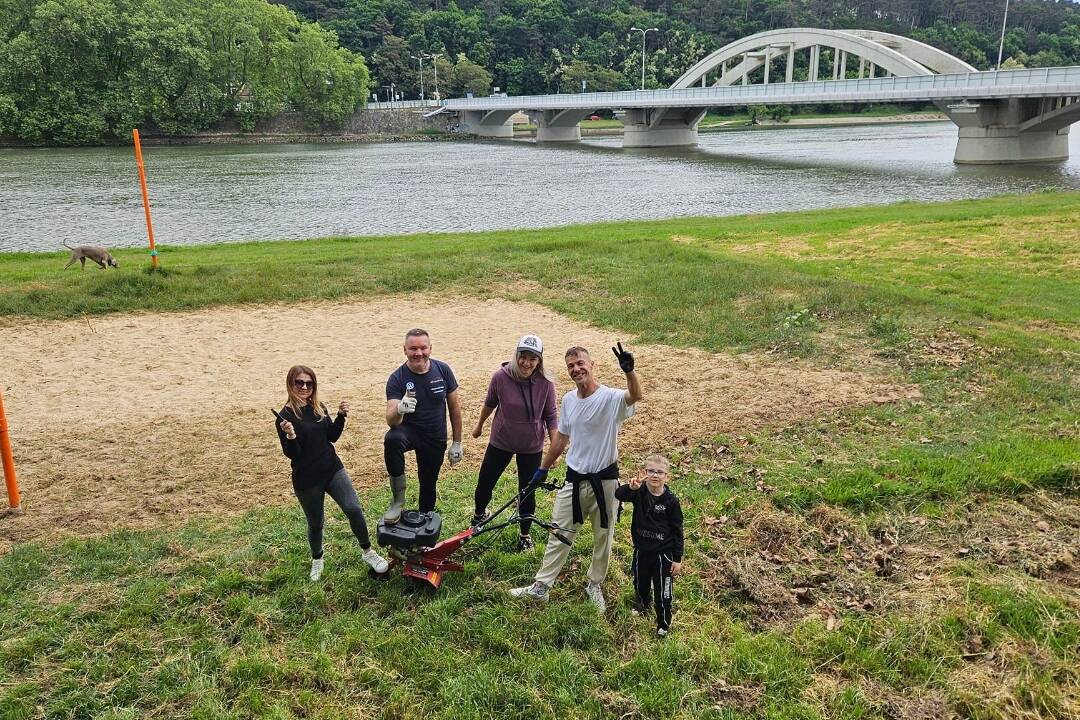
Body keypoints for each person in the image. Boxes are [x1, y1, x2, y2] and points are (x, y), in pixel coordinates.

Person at [510, 342, 642, 611]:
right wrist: (542, 468)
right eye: (571, 365)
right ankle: (541, 587)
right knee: (559, 532)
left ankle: (594, 584)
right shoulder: (569, 400)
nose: (576, 369)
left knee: (603, 536)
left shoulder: (610, 397)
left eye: (581, 363)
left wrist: (630, 371)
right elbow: (561, 439)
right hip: (574, 479)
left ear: (592, 365)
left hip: (605, 481)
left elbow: (635, 396)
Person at [275, 365, 389, 581]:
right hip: (307, 479)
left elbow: (332, 437)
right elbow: (293, 455)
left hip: (332, 469)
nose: (304, 387)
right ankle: (317, 560)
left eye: (309, 383)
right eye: (299, 382)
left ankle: (368, 552)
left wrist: (341, 416)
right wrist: (290, 434)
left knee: (354, 508)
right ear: (290, 384)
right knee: (316, 523)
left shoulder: (318, 407)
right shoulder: (284, 417)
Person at [471, 334, 558, 551]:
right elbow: (490, 403)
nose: (526, 363)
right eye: (523, 357)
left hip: (531, 445)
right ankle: (479, 515)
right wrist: (479, 425)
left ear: (539, 361)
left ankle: (524, 535)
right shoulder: (501, 377)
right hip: (501, 441)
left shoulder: (546, 383)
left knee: (527, 491)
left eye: (532, 358)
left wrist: (554, 450)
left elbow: (551, 416)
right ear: (516, 355)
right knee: (485, 482)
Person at [382, 328, 463, 522]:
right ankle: (398, 501)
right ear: (405, 350)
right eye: (413, 349)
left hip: (435, 436)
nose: (418, 353)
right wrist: (400, 409)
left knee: (428, 482)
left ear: (430, 348)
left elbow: (455, 409)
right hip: (410, 432)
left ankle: (425, 521)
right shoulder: (397, 378)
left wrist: (457, 442)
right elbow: (390, 420)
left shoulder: (443, 370)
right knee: (392, 439)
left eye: (423, 348)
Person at [615, 454, 684, 637]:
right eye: (651, 471)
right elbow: (618, 495)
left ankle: (663, 622)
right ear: (645, 473)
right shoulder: (639, 492)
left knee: (663, 590)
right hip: (641, 550)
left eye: (660, 472)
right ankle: (643, 604)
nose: (655, 475)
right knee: (640, 581)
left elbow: (678, 531)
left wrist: (677, 558)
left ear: (666, 476)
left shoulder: (671, 501)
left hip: (663, 554)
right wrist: (630, 487)